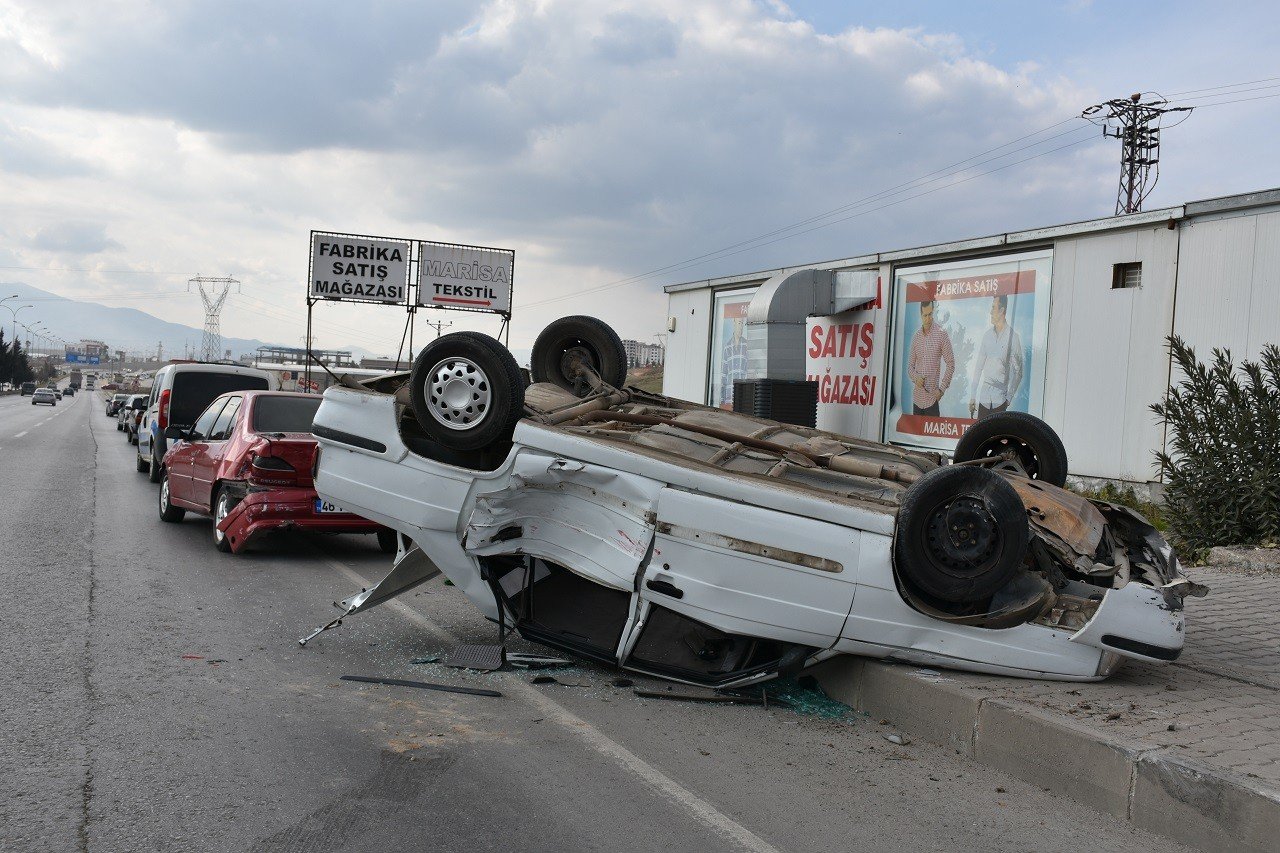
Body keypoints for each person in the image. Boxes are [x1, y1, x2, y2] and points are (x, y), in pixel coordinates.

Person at [968, 295, 1024, 419]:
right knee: (981, 436)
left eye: (993, 308)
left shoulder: (1013, 338)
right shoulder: (987, 336)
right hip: (984, 399)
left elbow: (1018, 372)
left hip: (1000, 400)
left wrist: (1008, 398)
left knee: (998, 436)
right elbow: (978, 367)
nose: (990, 312)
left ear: (1002, 310)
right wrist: (972, 396)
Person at [906, 300, 955, 416]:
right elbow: (910, 366)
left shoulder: (941, 334)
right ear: (920, 315)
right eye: (925, 315)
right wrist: (915, 377)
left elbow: (951, 363)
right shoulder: (916, 337)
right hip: (916, 402)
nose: (928, 318)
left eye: (930, 314)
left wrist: (942, 390)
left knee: (931, 434)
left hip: (932, 402)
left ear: (933, 312)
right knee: (915, 435)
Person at [719, 313, 749, 408]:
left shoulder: (747, 345)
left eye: (742, 324)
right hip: (729, 397)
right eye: (739, 323)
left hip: (743, 395)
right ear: (734, 323)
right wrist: (722, 399)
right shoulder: (727, 347)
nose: (741, 327)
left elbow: (750, 372)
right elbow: (724, 375)